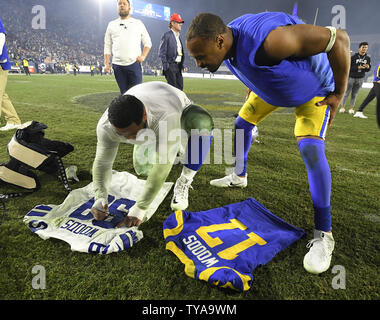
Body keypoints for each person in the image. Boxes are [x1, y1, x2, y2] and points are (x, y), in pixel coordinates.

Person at [186, 12, 350, 275]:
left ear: (219, 41)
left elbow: (338, 39)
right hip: (275, 88)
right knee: (241, 125)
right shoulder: (228, 36)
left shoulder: (272, 42)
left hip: (314, 92)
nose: (198, 63)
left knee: (310, 149)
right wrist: (254, 83)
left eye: (200, 57)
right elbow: (245, 61)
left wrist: (339, 93)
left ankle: (324, 234)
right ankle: (239, 176)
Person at [90, 81, 213, 228]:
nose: (129, 139)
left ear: (143, 116)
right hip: (151, 119)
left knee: (202, 124)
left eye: (133, 134)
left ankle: (185, 179)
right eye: (121, 135)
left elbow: (162, 166)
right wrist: (100, 197)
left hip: (178, 106)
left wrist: (140, 208)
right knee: (143, 169)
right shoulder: (105, 126)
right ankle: (165, 143)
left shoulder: (166, 117)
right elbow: (103, 163)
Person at [104, 0, 152, 94]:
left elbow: (148, 42)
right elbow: (107, 45)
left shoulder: (138, 23)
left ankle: (137, 109)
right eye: (119, 4)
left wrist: (143, 56)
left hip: (134, 64)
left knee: (137, 95)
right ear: (117, 7)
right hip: (117, 65)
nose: (121, 5)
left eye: (124, 4)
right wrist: (106, 63)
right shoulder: (111, 24)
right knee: (124, 94)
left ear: (129, 8)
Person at [0, 17, 22, 131]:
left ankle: (13, 121)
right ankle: (13, 120)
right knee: (2, 94)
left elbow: (1, 36)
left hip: (0, 64)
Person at [339, 42, 371, 114]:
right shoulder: (353, 57)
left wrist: (368, 67)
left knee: (355, 94)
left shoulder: (367, 58)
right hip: (351, 77)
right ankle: (342, 107)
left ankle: (351, 108)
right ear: (359, 48)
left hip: (361, 78)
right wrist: (357, 67)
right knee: (346, 93)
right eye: (363, 47)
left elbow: (368, 69)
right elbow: (348, 67)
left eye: (366, 47)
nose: (365, 49)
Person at [159, 13, 186, 90]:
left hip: (178, 67)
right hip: (171, 66)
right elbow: (161, 53)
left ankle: (178, 102)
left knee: (180, 88)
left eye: (181, 22)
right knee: (173, 90)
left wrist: (182, 64)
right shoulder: (167, 35)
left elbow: (179, 52)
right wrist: (167, 67)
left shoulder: (178, 36)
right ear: (173, 23)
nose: (181, 24)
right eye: (178, 22)